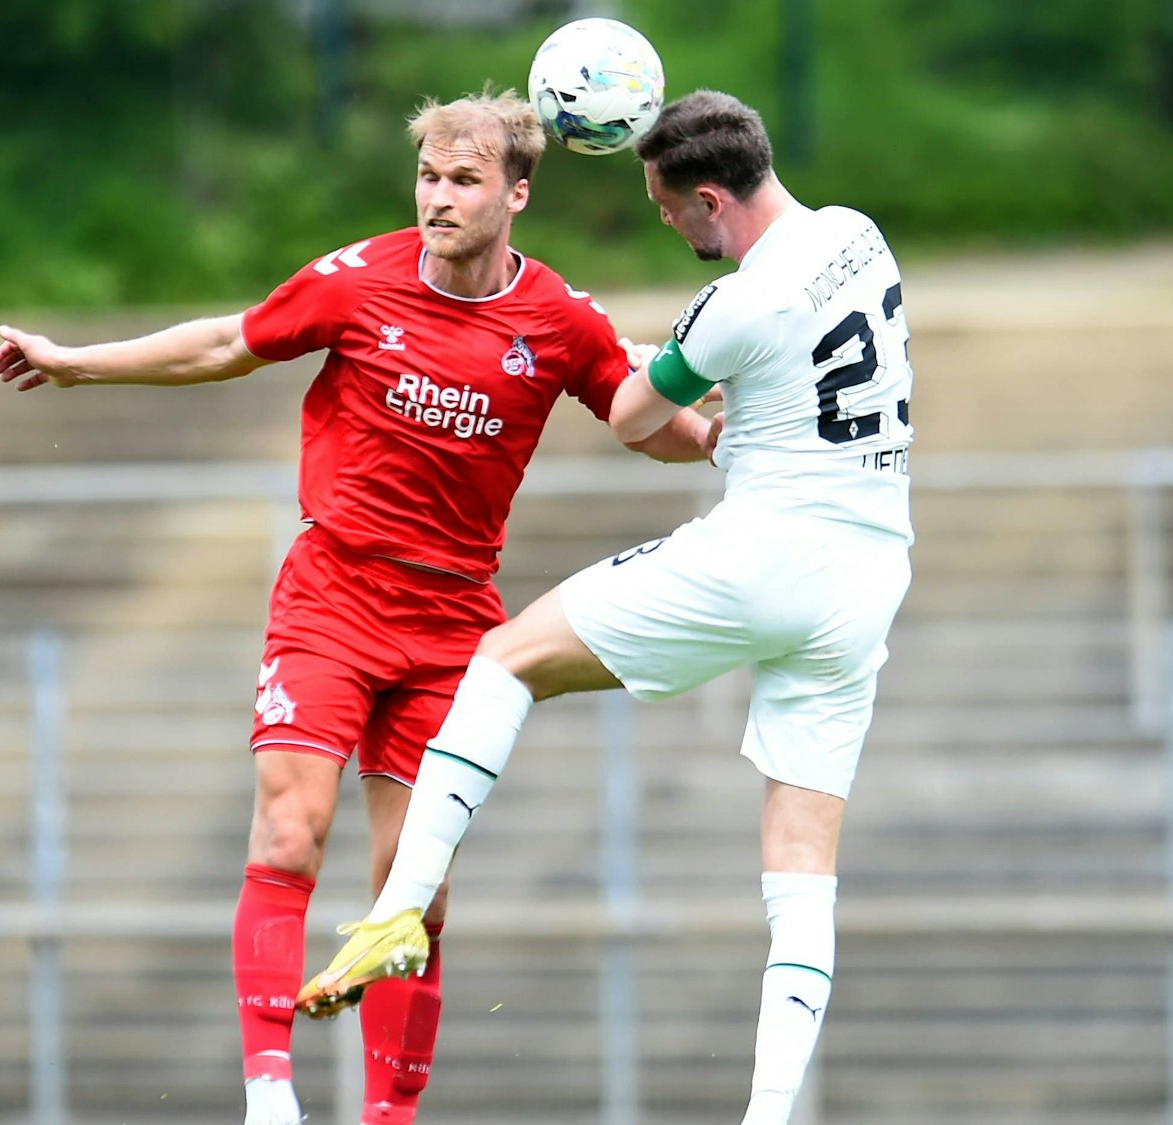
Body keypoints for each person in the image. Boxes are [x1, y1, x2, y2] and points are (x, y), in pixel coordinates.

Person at [0, 89, 712, 1125]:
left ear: (516, 193)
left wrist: (723, 436)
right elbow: (224, 343)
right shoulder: (357, 281)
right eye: (427, 177)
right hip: (331, 599)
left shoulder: (557, 320)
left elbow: (642, 420)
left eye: (463, 181)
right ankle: (270, 1094)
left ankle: (387, 1118)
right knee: (291, 831)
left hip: (453, 627)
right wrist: (77, 364)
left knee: (413, 890)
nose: (438, 198)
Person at [297, 90, 916, 1125]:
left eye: (669, 209)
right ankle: (768, 1114)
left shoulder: (733, 305)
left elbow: (634, 417)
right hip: (868, 578)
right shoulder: (856, 235)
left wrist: (659, 367)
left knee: (502, 659)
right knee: (803, 867)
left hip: (763, 553)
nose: (668, 225)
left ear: (710, 198)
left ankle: (398, 909)